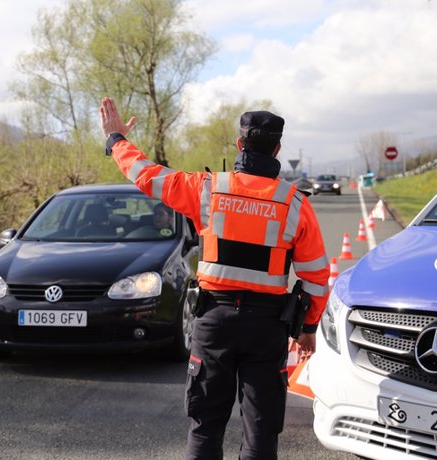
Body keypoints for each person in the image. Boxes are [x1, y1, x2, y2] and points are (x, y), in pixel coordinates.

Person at [99, 97, 329, 460]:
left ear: (240, 145)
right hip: (267, 328)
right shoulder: (296, 204)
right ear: (278, 148)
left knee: (205, 428)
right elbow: (316, 276)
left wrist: (116, 140)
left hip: (213, 322)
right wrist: (308, 327)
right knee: (261, 431)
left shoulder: (206, 188)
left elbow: (145, 173)